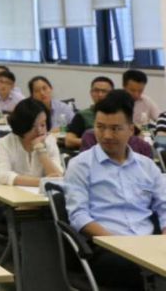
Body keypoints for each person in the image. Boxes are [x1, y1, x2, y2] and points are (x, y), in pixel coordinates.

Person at [63, 90, 166, 289]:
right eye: (100, 127)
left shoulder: (147, 167)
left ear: (131, 129)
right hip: (105, 247)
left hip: (147, 243)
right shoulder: (81, 165)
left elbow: (164, 206)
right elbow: (78, 216)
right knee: (131, 267)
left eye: (115, 128)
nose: (107, 135)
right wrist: (117, 244)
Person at [0, 98, 63, 187]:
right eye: (33, 127)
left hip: (36, 195)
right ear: (22, 127)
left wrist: (40, 150)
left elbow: (58, 178)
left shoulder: (50, 141)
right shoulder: (7, 142)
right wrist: (42, 181)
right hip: (5, 194)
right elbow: (2, 176)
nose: (39, 131)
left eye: (43, 125)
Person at [65, 77, 114, 150]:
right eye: (96, 91)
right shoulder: (83, 115)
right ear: (91, 93)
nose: (100, 94)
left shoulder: (118, 115)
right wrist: (91, 141)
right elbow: (69, 141)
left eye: (104, 91)